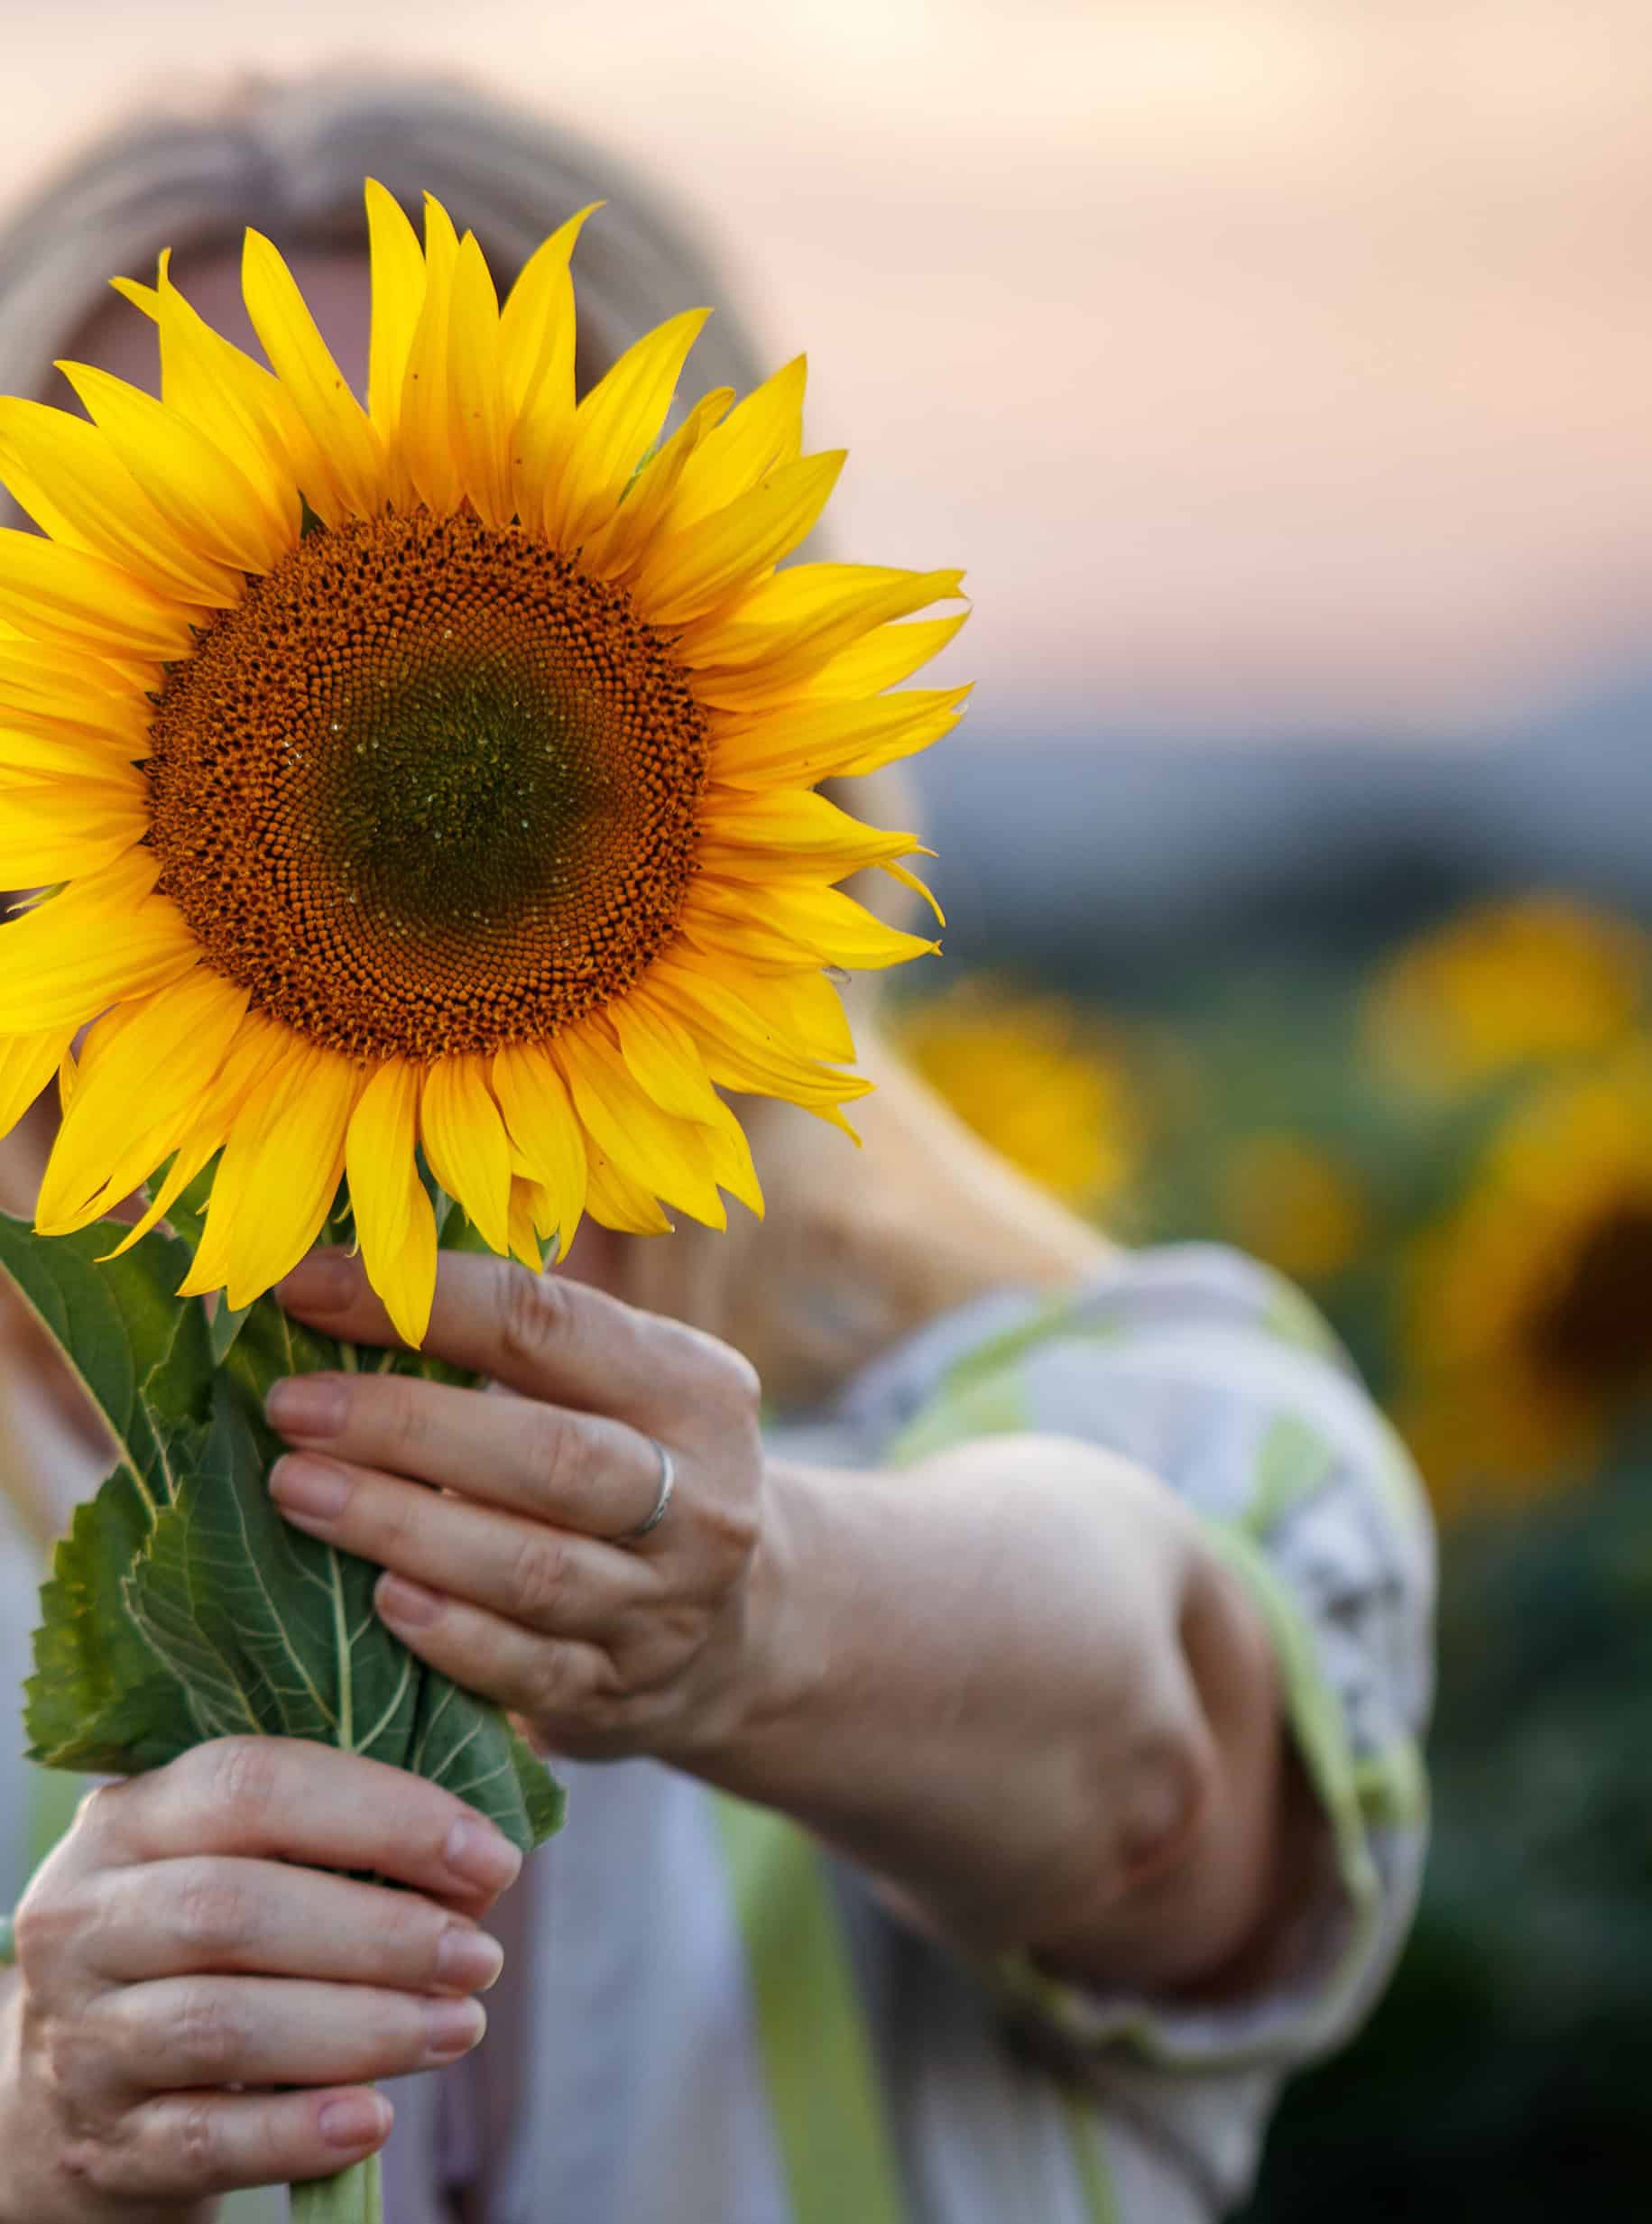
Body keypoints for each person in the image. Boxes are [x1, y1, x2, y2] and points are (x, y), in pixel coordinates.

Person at [0, 74, 1434, 2224]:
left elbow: (1152, 1759)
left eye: (393, 548)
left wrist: (757, 1629)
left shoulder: (1119, 1396)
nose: (344, 736)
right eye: (232, 563)